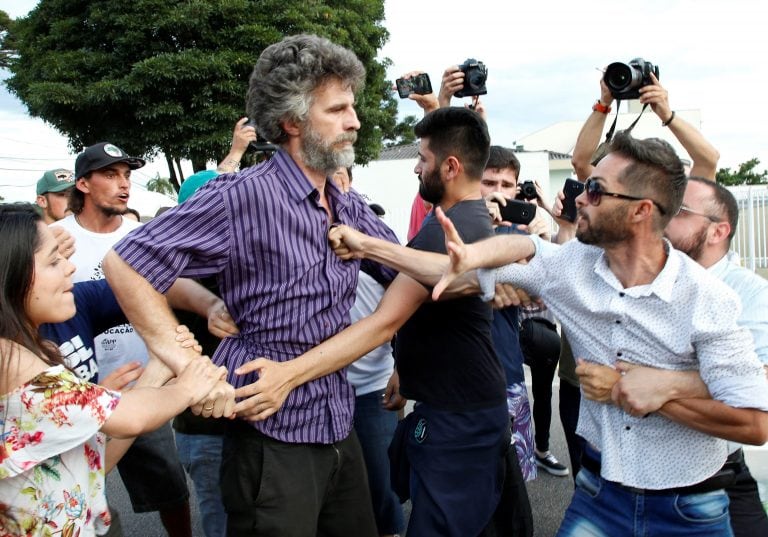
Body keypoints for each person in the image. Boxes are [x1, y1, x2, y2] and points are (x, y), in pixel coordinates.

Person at [101, 34, 397, 537]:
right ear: (292, 121)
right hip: (270, 436)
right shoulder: (241, 197)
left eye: (353, 107)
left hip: (337, 423)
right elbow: (125, 262)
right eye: (338, 109)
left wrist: (493, 266)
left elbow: (408, 270)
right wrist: (189, 365)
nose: (355, 121)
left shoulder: (347, 204)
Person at [421, 131, 768, 536]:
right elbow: (515, 257)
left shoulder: (709, 297)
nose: (579, 199)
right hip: (598, 493)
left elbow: (754, 423)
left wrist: (643, 391)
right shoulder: (574, 265)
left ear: (641, 211)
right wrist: (374, 249)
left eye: (596, 190)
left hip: (688, 506)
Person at [244, 107, 530, 536]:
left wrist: (288, 374)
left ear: (450, 167)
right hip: (462, 407)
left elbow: (382, 322)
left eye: (423, 158)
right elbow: (427, 315)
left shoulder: (446, 230)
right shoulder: (467, 219)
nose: (417, 167)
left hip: (460, 419)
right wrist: (404, 369)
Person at [0, 203, 222, 536]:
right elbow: (131, 418)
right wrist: (190, 382)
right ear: (11, 275)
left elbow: (95, 462)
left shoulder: (37, 351)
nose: (70, 268)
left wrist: (156, 372)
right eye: (53, 261)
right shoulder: (13, 364)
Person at [579, 177, 768, 537]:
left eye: (679, 212)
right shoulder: (637, 278)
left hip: (713, 481)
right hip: (616, 478)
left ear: (717, 232)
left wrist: (649, 386)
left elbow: (759, 390)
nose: (662, 219)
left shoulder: (750, 293)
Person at [52, 141, 195, 537]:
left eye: (127, 175)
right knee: (79, 486)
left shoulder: (143, 236)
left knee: (170, 487)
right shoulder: (53, 241)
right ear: (82, 183)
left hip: (142, 383)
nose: (124, 184)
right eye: (111, 175)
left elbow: (172, 287)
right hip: (72, 394)